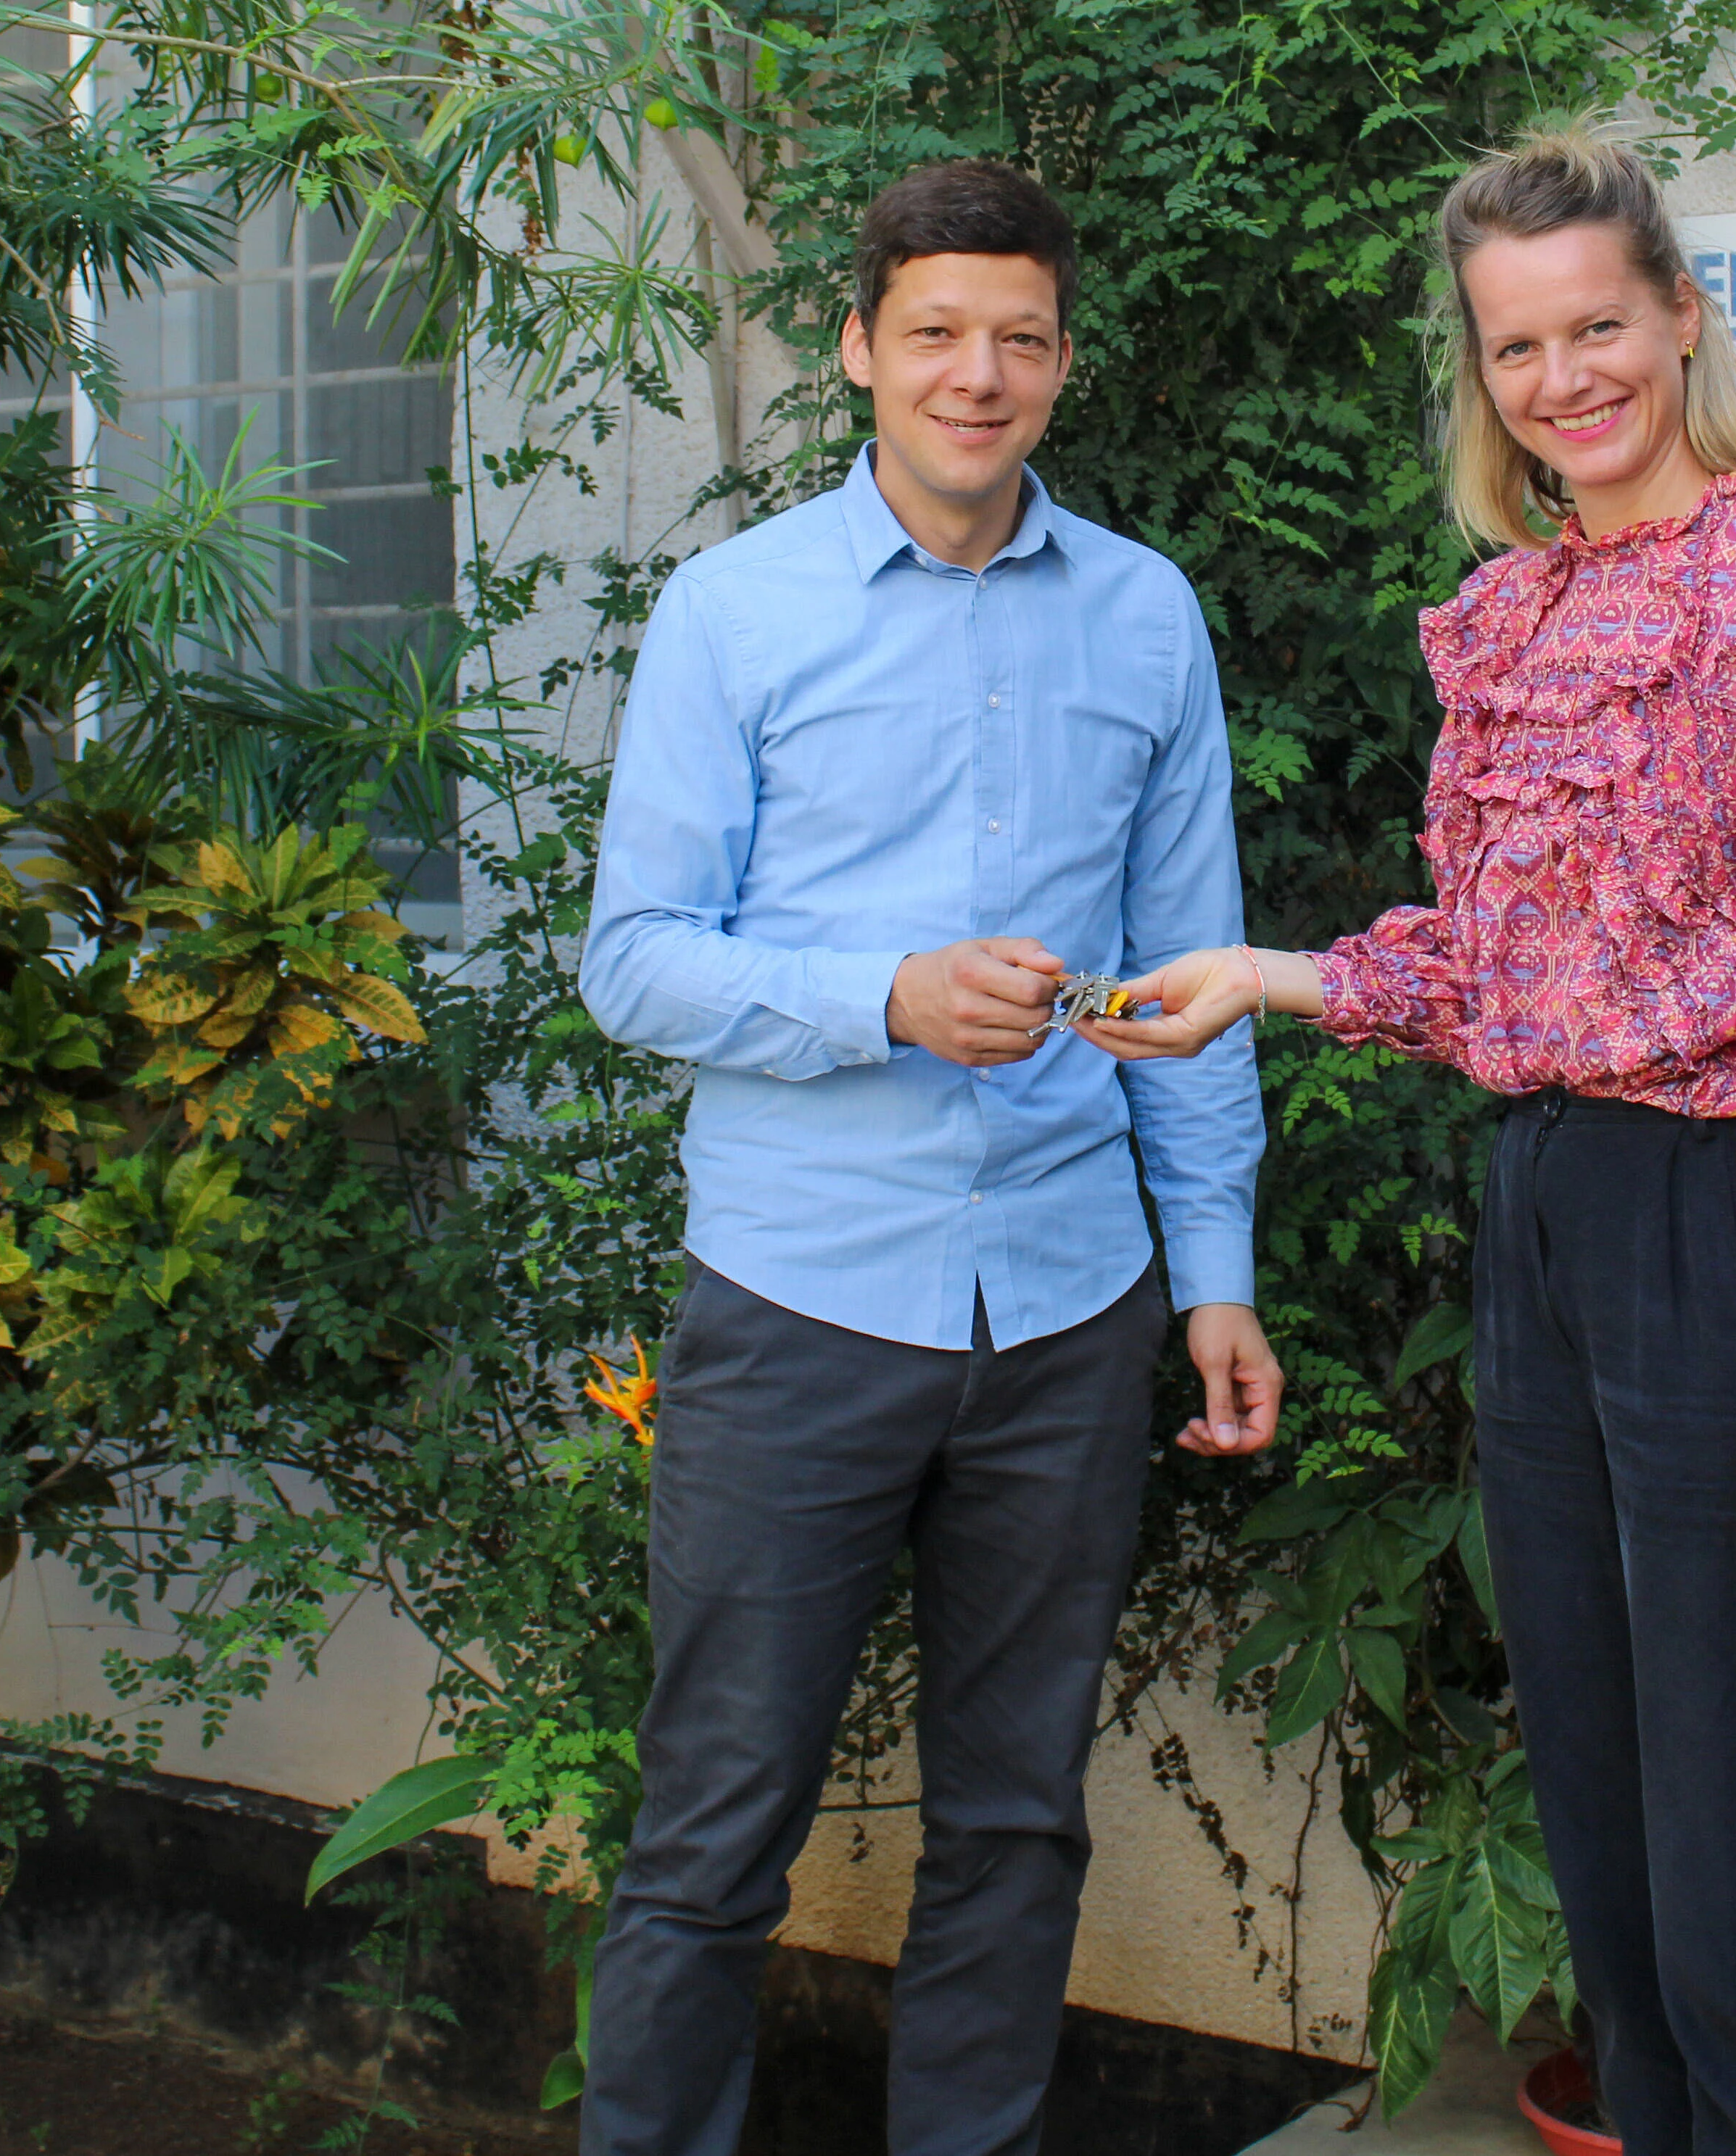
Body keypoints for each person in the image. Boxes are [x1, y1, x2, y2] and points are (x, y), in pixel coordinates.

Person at [1083, 125, 1736, 2153]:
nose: (1564, 378)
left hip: (1722, 1219)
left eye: (1597, 327)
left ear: (1678, 319)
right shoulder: (1522, 617)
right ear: (1480, 377)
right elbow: (1503, 969)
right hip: (1543, 1208)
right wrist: (1262, 974)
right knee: (1609, 1796)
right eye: (1516, 348)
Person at [574, 158, 1283, 2156]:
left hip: (1067, 1306)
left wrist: (1213, 1273)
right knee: (714, 1826)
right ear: (862, 347)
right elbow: (634, 959)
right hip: (801, 1303)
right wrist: (883, 995)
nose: (981, 373)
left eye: (1022, 337)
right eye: (940, 332)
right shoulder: (735, 612)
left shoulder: (1147, 617)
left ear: (1062, 360)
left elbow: (1181, 979)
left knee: (1015, 1818)